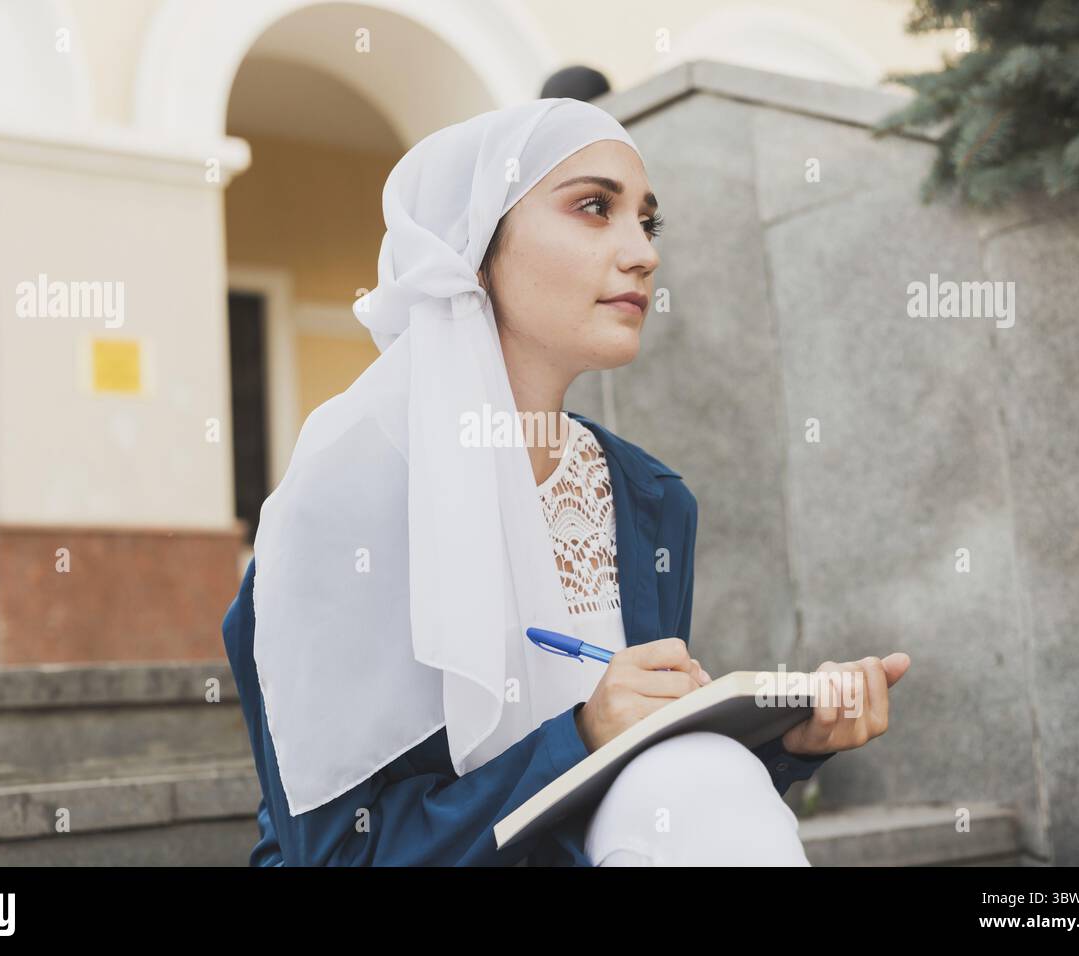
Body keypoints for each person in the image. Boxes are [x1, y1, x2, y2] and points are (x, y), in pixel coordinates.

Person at [222, 98, 910, 866]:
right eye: (593, 207)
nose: (642, 253)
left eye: (647, 223)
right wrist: (583, 734)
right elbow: (337, 852)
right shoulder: (341, 501)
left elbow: (655, 804)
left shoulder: (648, 497)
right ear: (476, 248)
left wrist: (790, 743)